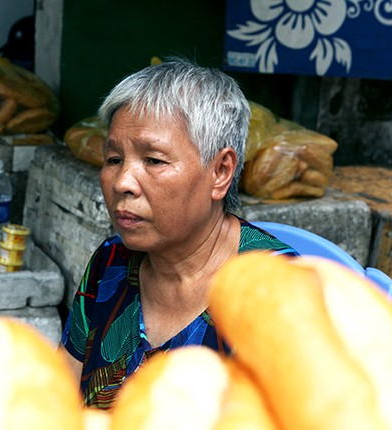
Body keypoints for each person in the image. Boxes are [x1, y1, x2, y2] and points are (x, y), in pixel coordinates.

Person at [60, 57, 298, 409]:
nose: (123, 182)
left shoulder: (280, 295)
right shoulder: (110, 264)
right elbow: (55, 399)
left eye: (153, 161)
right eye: (113, 159)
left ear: (220, 172)